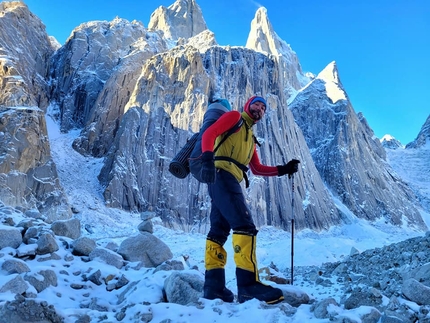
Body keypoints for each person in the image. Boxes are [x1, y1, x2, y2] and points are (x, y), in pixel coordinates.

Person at [199, 95, 300, 304]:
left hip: (226, 179)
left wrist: (284, 169)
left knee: (218, 232)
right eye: (256, 104)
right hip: (222, 174)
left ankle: (213, 287)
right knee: (245, 226)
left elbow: (257, 168)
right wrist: (208, 159)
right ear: (247, 105)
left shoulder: (250, 137)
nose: (260, 109)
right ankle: (248, 286)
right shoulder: (235, 117)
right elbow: (210, 133)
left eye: (263, 108)